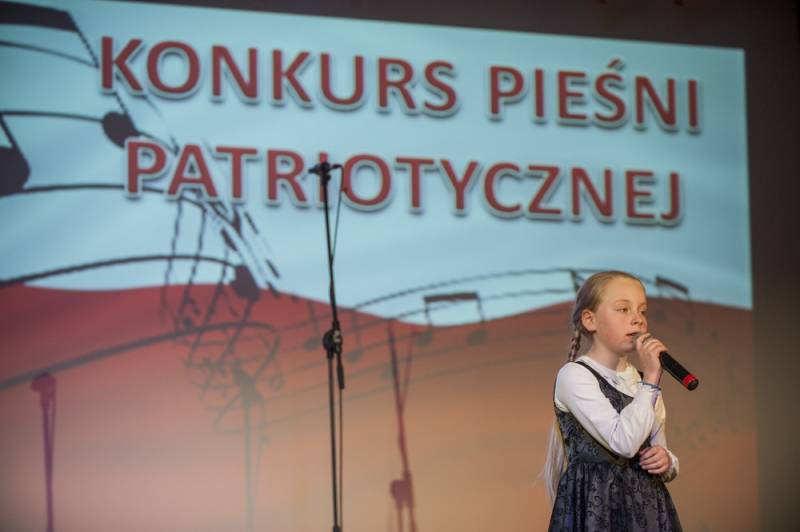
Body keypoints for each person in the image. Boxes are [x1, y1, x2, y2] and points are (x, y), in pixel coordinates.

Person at [544, 271, 683, 531]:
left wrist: (666, 461)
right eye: (623, 309)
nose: (638, 319)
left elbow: (658, 447)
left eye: (642, 311)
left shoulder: (643, 382)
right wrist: (651, 381)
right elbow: (624, 442)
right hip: (597, 508)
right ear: (590, 320)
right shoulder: (574, 376)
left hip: (645, 508)